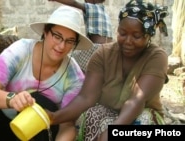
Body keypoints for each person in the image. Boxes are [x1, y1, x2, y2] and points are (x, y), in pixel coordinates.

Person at [0, 5, 93, 141]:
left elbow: (67, 126)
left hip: (37, 134)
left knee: (39, 102)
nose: (61, 46)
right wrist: (12, 99)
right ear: (46, 32)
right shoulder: (21, 50)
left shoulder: (74, 77)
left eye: (70, 41)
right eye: (57, 36)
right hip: (4, 120)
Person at [46, 0, 169, 141]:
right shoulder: (104, 54)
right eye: (122, 33)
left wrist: (114, 130)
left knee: (144, 120)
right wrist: (54, 117)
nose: (128, 41)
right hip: (109, 112)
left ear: (148, 36)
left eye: (136, 36)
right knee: (91, 114)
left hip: (140, 113)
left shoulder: (156, 57)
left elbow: (137, 100)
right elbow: (86, 97)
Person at [49, 0, 113, 72]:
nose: (85, 1)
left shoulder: (93, 8)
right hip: (107, 49)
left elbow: (74, 3)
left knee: (72, 59)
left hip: (96, 48)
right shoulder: (104, 12)